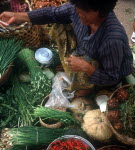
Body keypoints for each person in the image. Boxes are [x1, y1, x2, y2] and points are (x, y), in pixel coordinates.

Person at [0, 0, 133, 93]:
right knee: (61, 22)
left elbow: (112, 77)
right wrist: (18, 16)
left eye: (84, 12)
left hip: (111, 71)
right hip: (89, 52)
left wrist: (87, 68)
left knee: (92, 86)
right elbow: (53, 13)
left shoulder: (112, 39)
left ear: (102, 12)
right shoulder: (80, 7)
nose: (79, 14)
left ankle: (91, 88)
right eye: (78, 9)